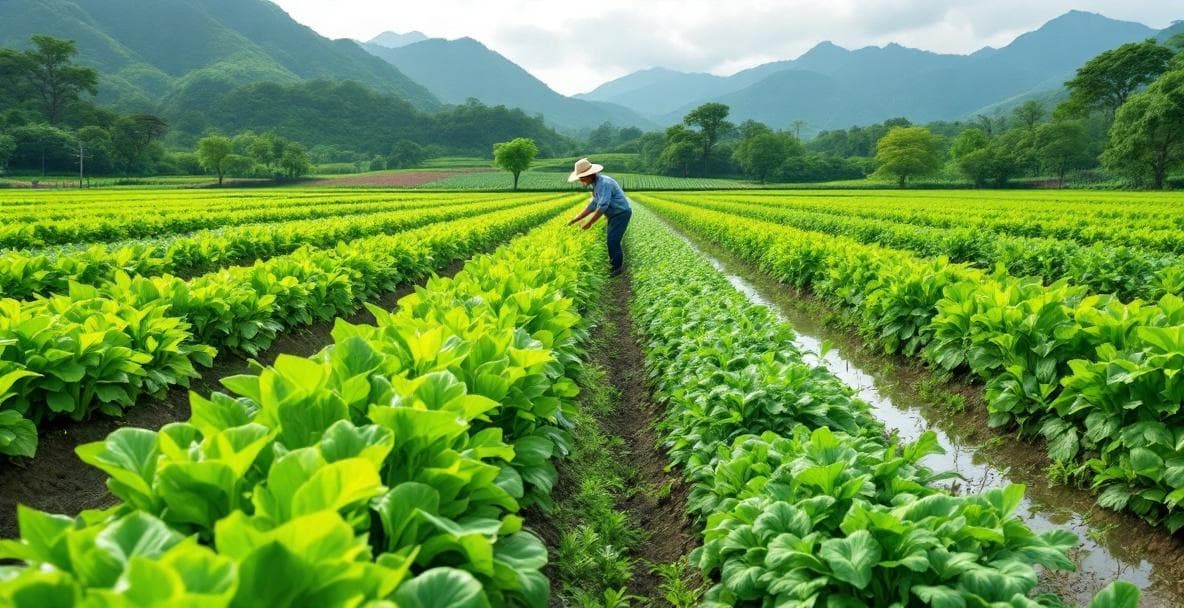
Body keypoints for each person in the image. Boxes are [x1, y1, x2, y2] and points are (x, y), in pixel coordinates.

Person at [566, 157, 632, 276]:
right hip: (614, 214)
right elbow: (593, 205)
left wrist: (589, 223)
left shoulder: (604, 184)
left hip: (620, 214)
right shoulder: (597, 184)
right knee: (611, 239)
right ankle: (613, 265)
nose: (581, 180)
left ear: (589, 175)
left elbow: (602, 207)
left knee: (613, 240)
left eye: (581, 178)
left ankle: (616, 268)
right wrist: (576, 219)